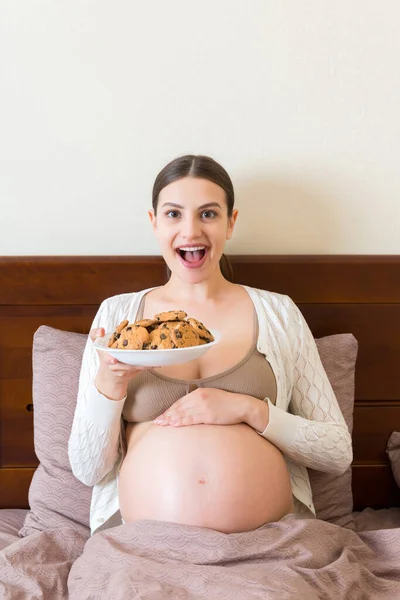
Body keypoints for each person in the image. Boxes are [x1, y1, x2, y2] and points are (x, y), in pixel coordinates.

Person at [68, 154, 352, 536]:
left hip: (272, 542)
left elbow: (337, 452)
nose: (190, 231)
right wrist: (110, 386)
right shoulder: (117, 317)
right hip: (143, 546)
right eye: (173, 214)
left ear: (230, 223)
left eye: (208, 214)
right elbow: (88, 469)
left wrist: (249, 409)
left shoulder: (277, 312)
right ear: (153, 222)